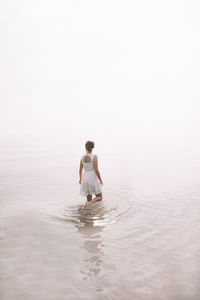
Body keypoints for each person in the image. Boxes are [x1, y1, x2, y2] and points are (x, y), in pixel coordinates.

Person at [79, 141, 103, 207]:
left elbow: (80, 169)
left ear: (85, 147)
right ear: (93, 147)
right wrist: (100, 179)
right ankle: (90, 203)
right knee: (100, 197)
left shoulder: (82, 157)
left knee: (88, 199)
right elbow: (96, 169)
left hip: (85, 178)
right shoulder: (94, 156)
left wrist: (80, 178)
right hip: (92, 177)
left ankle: (88, 211)